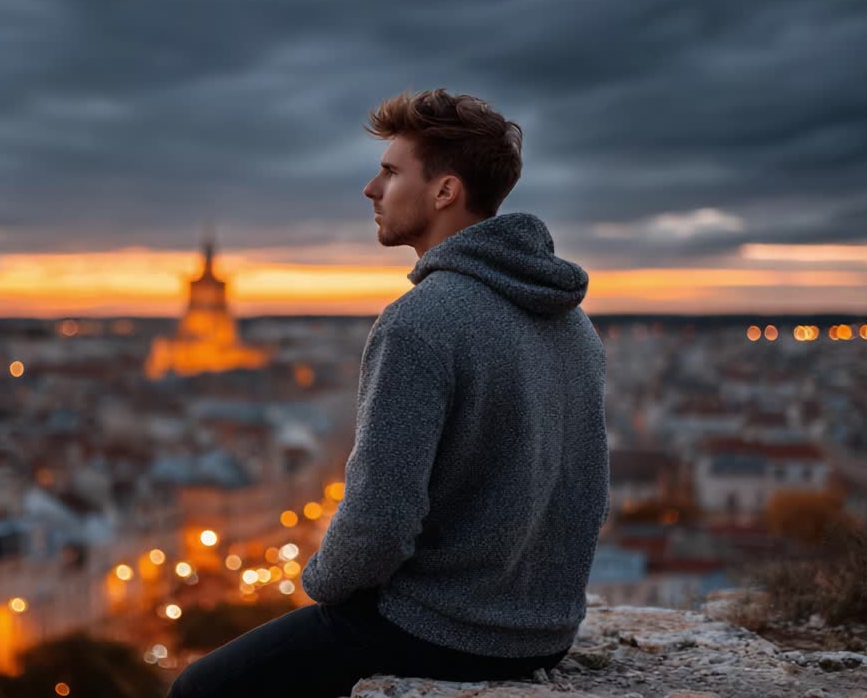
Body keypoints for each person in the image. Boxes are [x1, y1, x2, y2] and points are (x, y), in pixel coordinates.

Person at [167, 88, 609, 698]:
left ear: (444, 192)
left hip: (443, 630)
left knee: (199, 689)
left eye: (390, 172)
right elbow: (586, 485)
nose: (371, 190)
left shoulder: (419, 320)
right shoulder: (572, 321)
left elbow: (380, 520)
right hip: (548, 628)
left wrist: (320, 583)